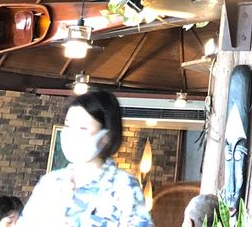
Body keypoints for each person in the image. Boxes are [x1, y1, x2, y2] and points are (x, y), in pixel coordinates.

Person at [19, 89, 153, 226]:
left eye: (83, 128)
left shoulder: (123, 186)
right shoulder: (50, 182)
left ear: (106, 136)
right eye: (68, 125)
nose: (71, 134)